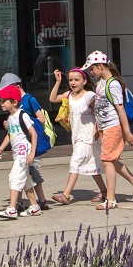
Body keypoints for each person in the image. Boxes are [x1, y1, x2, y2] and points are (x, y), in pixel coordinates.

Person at [82, 50, 133, 210]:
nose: (91, 71)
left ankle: (111, 199)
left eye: (92, 68)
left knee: (107, 160)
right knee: (111, 159)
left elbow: (120, 109)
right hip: (104, 127)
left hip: (113, 126)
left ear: (101, 66)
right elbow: (98, 107)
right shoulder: (100, 84)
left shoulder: (113, 84)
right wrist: (97, 127)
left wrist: (127, 132)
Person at [47, 68, 106, 204]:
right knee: (92, 165)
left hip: (88, 135)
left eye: (76, 80)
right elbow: (53, 98)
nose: (73, 83)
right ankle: (104, 191)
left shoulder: (89, 95)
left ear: (84, 81)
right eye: (71, 80)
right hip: (77, 135)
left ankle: (66, 195)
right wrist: (57, 82)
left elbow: (98, 112)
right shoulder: (69, 95)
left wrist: (97, 128)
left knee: (75, 162)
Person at [0, 72, 51, 210]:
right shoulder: (11, 107)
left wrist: (23, 120)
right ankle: (31, 202)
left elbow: (41, 119)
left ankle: (36, 201)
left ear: (17, 86)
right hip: (20, 146)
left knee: (29, 174)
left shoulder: (29, 100)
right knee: (27, 175)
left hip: (29, 146)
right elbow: (13, 129)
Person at [0, 85, 40, 220]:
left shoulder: (22, 115)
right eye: (0, 100)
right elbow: (9, 135)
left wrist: (32, 154)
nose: (1, 103)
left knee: (14, 177)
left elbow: (34, 134)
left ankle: (12, 208)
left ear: (14, 102)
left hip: (24, 153)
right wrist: (0, 149)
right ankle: (34, 206)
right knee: (26, 181)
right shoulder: (10, 117)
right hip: (18, 153)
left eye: (4, 101)